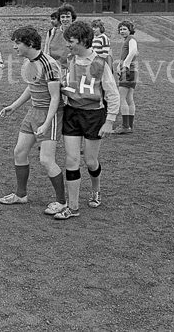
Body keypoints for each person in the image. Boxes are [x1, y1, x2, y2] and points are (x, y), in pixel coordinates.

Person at [0, 27, 68, 216]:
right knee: (19, 152)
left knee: (46, 160)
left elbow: (55, 98)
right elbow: (33, 87)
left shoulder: (49, 64)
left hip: (49, 115)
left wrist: (46, 123)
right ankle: (21, 195)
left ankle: (62, 202)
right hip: (33, 112)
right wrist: (14, 106)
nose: (14, 47)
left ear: (29, 44)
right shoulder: (30, 62)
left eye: (17, 43)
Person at [55, 20, 120, 220]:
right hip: (72, 113)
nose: (68, 45)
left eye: (71, 41)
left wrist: (109, 121)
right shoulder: (70, 59)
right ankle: (72, 207)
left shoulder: (99, 63)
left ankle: (96, 189)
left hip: (93, 116)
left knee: (90, 161)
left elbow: (113, 94)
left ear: (84, 41)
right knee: (71, 159)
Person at [113, 20, 138, 134]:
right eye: (121, 29)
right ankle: (129, 126)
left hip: (128, 71)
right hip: (132, 71)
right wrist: (120, 65)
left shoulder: (131, 39)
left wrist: (125, 65)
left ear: (130, 30)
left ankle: (125, 126)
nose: (122, 31)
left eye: (124, 29)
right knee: (129, 98)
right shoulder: (128, 40)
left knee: (122, 97)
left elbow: (133, 51)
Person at [44, 3, 77, 68]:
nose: (65, 19)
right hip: (55, 70)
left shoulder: (77, 32)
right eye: (62, 17)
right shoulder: (52, 32)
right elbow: (46, 52)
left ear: (72, 18)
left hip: (72, 69)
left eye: (67, 17)